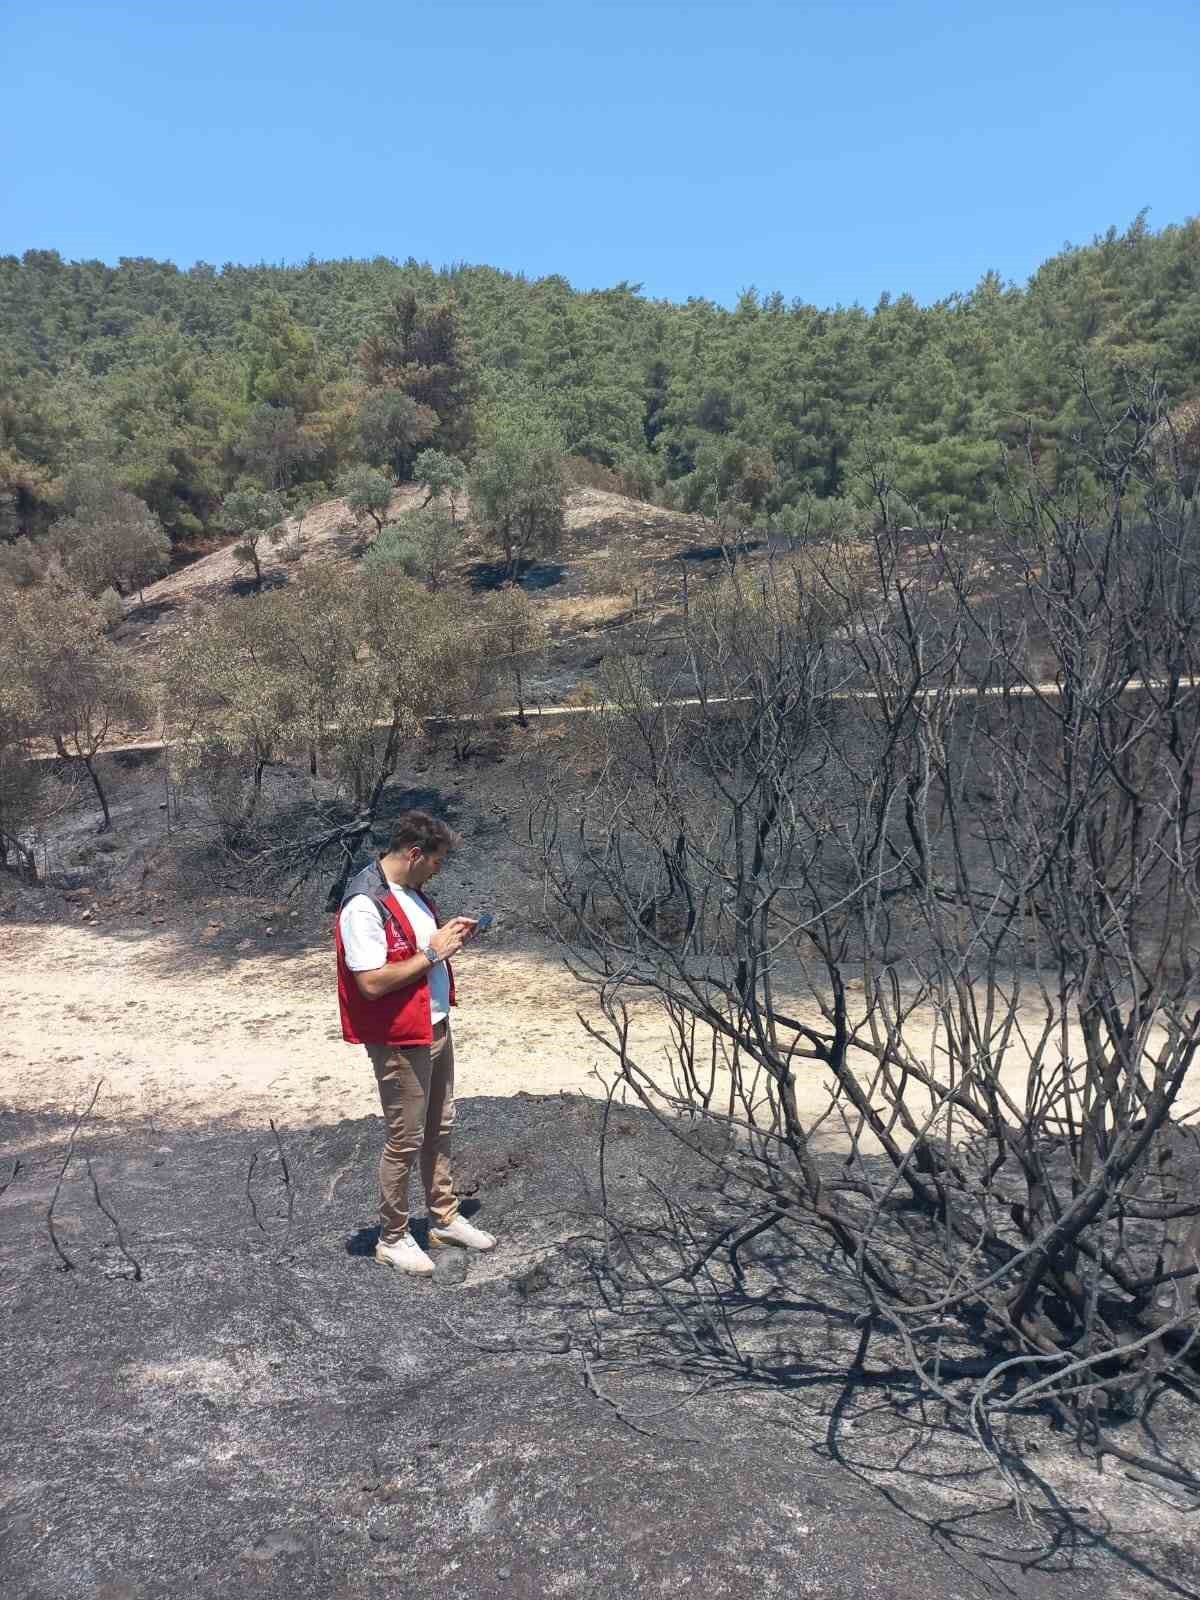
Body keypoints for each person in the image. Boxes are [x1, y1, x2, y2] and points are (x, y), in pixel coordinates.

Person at [335, 810, 496, 1275]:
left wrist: (449, 939)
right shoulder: (364, 905)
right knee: (405, 1139)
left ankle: (443, 1218)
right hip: (400, 1038)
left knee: (440, 1124)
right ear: (414, 854)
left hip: (434, 1026)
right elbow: (371, 983)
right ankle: (393, 1236)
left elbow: (420, 951)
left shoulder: (408, 893)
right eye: (437, 862)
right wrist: (433, 953)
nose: (439, 871)